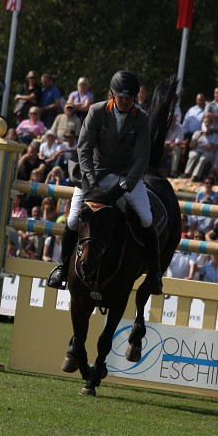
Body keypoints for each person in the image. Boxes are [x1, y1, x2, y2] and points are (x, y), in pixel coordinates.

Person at [47, 70, 163, 294]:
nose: (126, 102)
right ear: (112, 94)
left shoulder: (141, 118)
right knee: (72, 221)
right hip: (95, 175)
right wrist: (91, 183)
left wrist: (125, 185)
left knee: (147, 218)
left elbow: (142, 158)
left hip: (126, 176)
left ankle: (155, 272)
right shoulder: (96, 111)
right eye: (122, 97)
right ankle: (62, 267)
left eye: (130, 98)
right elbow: (84, 149)